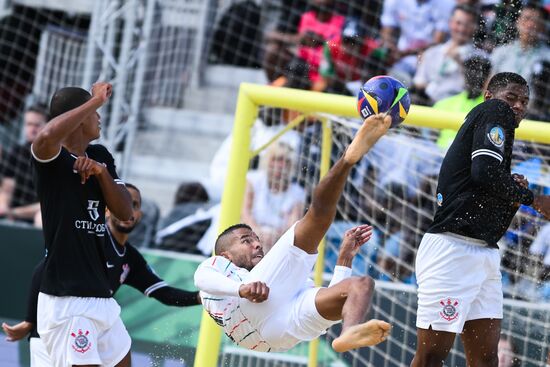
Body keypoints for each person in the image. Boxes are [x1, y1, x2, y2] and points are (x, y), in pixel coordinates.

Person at [195, 113, 393, 353]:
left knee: (361, 285)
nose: (257, 244)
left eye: (255, 239)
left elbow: (334, 300)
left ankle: (349, 332)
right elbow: (201, 279)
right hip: (246, 313)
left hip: (278, 334)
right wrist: (242, 290)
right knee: (316, 218)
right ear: (225, 256)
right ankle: (348, 159)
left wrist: (345, 260)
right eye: (246, 241)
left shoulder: (275, 276)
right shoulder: (220, 270)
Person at [410, 72, 550, 367]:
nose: (518, 106)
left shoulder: (496, 133)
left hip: (484, 254)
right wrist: (533, 199)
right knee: (430, 359)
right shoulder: (493, 111)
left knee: (487, 360)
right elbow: (484, 172)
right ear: (489, 96)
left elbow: (486, 184)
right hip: (451, 250)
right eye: (511, 97)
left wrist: (514, 194)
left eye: (524, 101)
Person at [2, 182, 201, 365]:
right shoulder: (91, 240)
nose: (129, 209)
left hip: (91, 328)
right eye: (123, 202)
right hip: (53, 332)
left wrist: (200, 298)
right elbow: (43, 269)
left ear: (140, 214)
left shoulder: (130, 257)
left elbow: (164, 293)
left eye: (135, 204)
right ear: (108, 209)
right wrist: (29, 321)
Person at [31, 83, 134, 367]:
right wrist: (95, 100)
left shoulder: (101, 156)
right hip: (67, 300)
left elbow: (125, 211)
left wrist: (101, 175)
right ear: (78, 116)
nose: (99, 115)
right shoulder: (50, 158)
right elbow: (45, 136)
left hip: (101, 296)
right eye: (94, 111)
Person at [413, 5, 484, 104]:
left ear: (475, 28)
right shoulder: (432, 52)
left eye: (468, 25)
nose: (462, 29)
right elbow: (419, 81)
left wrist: (460, 63)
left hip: (457, 106)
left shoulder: (480, 58)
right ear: (450, 23)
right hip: (427, 102)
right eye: (458, 23)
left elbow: (476, 89)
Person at [242, 141, 306, 252]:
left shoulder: (298, 193)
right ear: (267, 161)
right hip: (249, 234)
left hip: (277, 242)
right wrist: (258, 234)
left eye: (285, 161)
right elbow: (244, 213)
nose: (280, 165)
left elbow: (292, 227)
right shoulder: (253, 180)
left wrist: (273, 237)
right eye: (276, 159)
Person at [380, 0, 455, 82]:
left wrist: (405, 53)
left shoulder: (447, 3)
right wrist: (390, 48)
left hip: (431, 59)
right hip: (402, 60)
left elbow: (437, 42)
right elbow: (387, 29)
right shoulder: (393, 2)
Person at [0, 105, 48, 226]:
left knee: (41, 217)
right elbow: (7, 189)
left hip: (40, 214)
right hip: (13, 215)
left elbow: (51, 202)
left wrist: (14, 212)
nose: (32, 129)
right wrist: (3, 207)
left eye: (37, 125)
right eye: (28, 124)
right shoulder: (17, 153)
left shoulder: (57, 155)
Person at [434, 55, 492, 149]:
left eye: (479, 72)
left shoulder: (490, 108)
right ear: (464, 74)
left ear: (487, 77)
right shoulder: (444, 103)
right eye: (470, 71)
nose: (474, 76)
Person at [491, 3, 550, 83]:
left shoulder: (547, 57)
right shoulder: (501, 51)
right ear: (517, 22)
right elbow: (488, 87)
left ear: (543, 27)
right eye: (526, 18)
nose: (530, 25)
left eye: (536, 21)